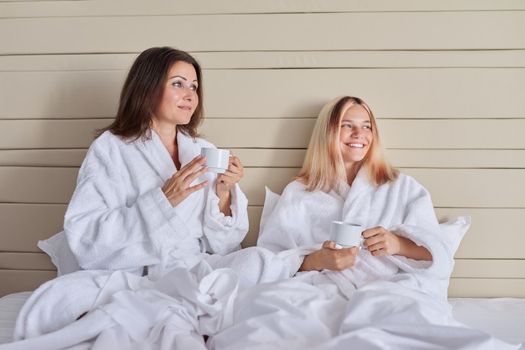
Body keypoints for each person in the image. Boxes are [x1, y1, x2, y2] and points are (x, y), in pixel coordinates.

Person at [60, 46, 250, 279]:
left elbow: (225, 245)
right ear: (148, 88)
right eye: (178, 84)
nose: (190, 95)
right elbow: (87, 237)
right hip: (138, 272)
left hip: (193, 265)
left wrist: (223, 193)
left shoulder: (203, 151)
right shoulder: (111, 148)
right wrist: (162, 201)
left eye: (194, 86)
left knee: (261, 260)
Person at [258, 95, 451, 296]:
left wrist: (398, 244)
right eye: (347, 125)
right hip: (316, 292)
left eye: (367, 126)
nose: (359, 134)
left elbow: (440, 257)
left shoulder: (402, 187)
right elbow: (271, 263)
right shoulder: (299, 192)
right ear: (328, 133)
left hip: (386, 291)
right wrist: (317, 260)